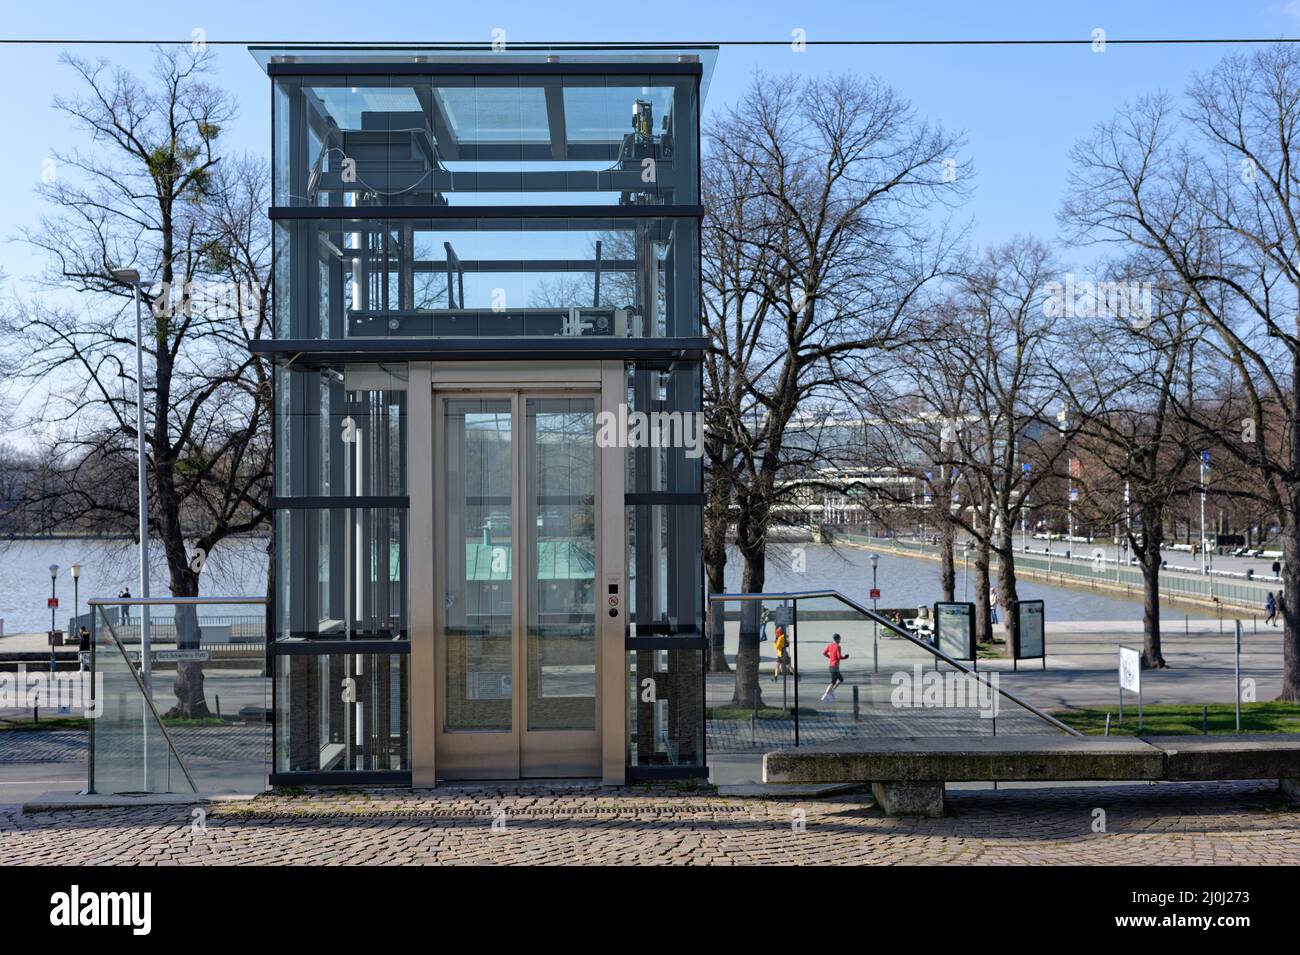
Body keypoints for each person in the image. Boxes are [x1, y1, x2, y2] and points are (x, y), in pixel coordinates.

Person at [820, 633, 848, 702]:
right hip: (835, 667)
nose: (840, 640)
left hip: (831, 666)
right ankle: (826, 695)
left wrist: (830, 657)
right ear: (837, 639)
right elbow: (839, 657)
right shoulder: (838, 646)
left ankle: (831, 692)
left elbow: (824, 653)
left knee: (840, 679)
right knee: (833, 682)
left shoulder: (830, 645)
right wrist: (845, 657)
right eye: (840, 639)